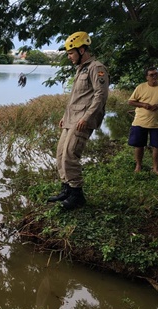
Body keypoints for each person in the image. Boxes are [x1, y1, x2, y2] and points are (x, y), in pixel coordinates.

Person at [47, 31, 109, 210]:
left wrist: (87, 118)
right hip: (71, 118)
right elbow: (78, 97)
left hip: (82, 120)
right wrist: (64, 117)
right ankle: (66, 188)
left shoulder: (96, 68)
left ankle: (77, 195)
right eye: (68, 53)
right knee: (60, 154)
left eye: (71, 53)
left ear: (82, 50)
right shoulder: (80, 69)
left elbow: (100, 96)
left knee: (70, 155)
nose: (69, 57)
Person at [127, 67, 158, 174]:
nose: (155, 76)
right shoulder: (141, 87)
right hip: (140, 122)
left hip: (157, 123)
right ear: (147, 77)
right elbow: (130, 102)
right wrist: (143, 104)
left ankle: (155, 168)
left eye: (156, 74)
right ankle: (138, 166)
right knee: (139, 145)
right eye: (152, 75)